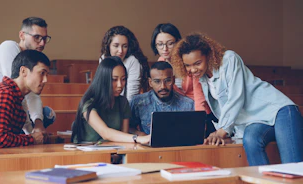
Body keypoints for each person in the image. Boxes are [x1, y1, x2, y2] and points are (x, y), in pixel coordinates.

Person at [171, 33, 303, 166]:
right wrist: (229, 133)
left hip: (281, 111)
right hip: (256, 120)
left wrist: (222, 130)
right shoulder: (203, 79)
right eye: (188, 65)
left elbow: (236, 97)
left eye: (197, 63)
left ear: (208, 55)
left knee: (292, 166)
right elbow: (227, 111)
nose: (193, 69)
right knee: (250, 140)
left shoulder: (229, 59)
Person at [0, 17, 55, 135]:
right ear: (22, 35)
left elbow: (31, 94)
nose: (42, 43)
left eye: (44, 38)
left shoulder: (30, 60)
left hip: (5, 110)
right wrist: (31, 134)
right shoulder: (9, 47)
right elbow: (16, 92)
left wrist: (38, 123)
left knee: (48, 114)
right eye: (37, 37)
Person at [0, 50, 50, 148]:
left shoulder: (14, 95)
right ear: (23, 71)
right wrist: (33, 139)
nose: (45, 80)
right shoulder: (4, 94)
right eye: (42, 73)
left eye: (47, 75)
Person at [71, 56, 150, 144]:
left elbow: (123, 136)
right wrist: (138, 138)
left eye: (123, 79)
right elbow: (105, 133)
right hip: (88, 153)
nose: (120, 85)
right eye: (114, 80)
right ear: (104, 80)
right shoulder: (89, 103)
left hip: (113, 151)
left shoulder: (122, 102)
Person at [129, 62, 195, 136]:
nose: (163, 86)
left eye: (167, 81)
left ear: (173, 80)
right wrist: (141, 135)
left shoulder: (188, 104)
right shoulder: (138, 102)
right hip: (148, 146)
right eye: (157, 82)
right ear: (150, 82)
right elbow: (128, 127)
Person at [99, 26, 150, 101]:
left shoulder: (133, 61)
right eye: (116, 46)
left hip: (125, 106)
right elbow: (101, 87)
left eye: (125, 46)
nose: (120, 51)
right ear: (108, 46)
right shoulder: (104, 58)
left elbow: (131, 97)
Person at [151, 23, 183, 90]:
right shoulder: (161, 61)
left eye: (170, 43)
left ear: (178, 42)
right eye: (160, 44)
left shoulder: (187, 60)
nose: (165, 49)